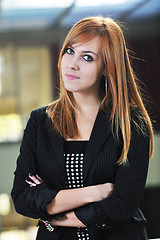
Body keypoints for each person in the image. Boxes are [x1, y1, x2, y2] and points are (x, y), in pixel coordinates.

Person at [11, 16, 154, 240]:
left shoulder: (131, 123)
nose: (72, 64)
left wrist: (51, 212)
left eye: (87, 57)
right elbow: (22, 199)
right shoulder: (40, 121)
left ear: (107, 67)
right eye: (69, 51)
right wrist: (94, 193)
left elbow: (121, 206)